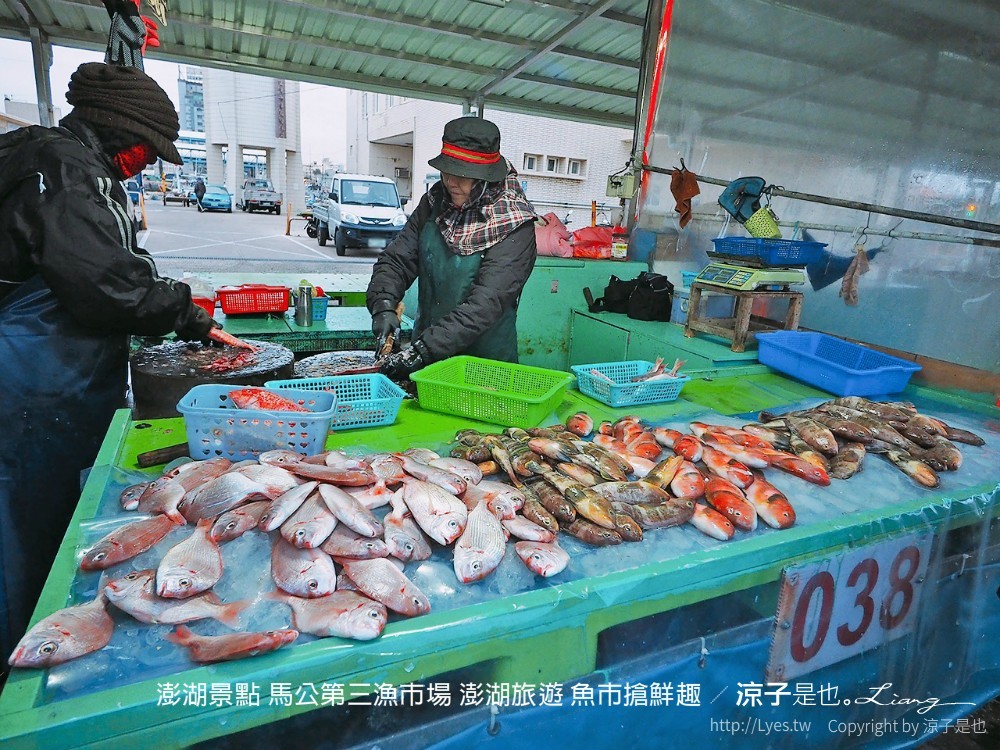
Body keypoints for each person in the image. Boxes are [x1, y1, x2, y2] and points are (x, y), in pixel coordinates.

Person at [0, 62, 221, 664]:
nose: (148, 162)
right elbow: (105, 285)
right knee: (23, 517)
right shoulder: (66, 168)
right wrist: (185, 310)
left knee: (52, 510)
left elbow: (114, 262)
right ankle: (28, 651)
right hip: (31, 378)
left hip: (52, 372)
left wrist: (173, 301)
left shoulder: (70, 160)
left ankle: (48, 618)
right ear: (120, 133)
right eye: (148, 150)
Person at [367, 116, 537, 380]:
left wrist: (423, 350)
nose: (451, 182)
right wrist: (384, 303)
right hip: (428, 356)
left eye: (463, 175)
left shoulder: (514, 221)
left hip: (484, 366)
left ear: (486, 179)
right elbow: (398, 260)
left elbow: (485, 304)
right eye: (447, 171)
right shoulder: (434, 202)